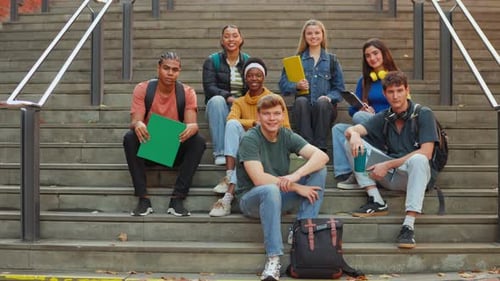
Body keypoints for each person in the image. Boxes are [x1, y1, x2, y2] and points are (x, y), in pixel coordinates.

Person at [235, 94, 329, 281]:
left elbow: (322, 157)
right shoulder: (250, 139)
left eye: (277, 113)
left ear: (283, 115)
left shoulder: (285, 134)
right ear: (259, 116)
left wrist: (296, 175)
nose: (272, 118)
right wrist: (296, 186)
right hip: (251, 199)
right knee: (270, 190)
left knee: (320, 170)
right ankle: (273, 258)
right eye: (267, 114)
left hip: (280, 194)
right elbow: (259, 179)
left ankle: (301, 231)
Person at [342, 71, 438, 249]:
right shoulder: (385, 116)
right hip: (388, 175)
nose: (396, 96)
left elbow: (427, 152)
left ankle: (408, 226)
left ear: (407, 90)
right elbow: (354, 131)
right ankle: (376, 200)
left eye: (399, 90)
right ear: (385, 94)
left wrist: (387, 164)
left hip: (412, 176)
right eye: (391, 92)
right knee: (349, 141)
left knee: (419, 160)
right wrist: (354, 135)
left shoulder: (423, 113)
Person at [123, 51, 206, 217]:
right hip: (149, 147)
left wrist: (193, 127)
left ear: (179, 71)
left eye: (175, 70)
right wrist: (138, 123)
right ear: (158, 68)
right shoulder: (143, 89)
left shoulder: (187, 92)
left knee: (198, 141)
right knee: (130, 137)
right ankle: (143, 199)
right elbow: (135, 120)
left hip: (174, 149)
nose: (170, 73)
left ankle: (177, 199)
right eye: (166, 68)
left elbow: (191, 123)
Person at [209, 58, 291, 217]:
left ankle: (227, 197)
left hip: (269, 142)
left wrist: (263, 127)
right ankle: (228, 175)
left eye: (258, 75)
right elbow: (230, 120)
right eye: (251, 75)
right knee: (233, 126)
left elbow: (285, 127)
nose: (254, 79)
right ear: (245, 78)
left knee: (248, 146)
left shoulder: (275, 99)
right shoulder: (239, 102)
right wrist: (254, 123)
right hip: (246, 144)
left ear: (264, 77)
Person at [332, 38, 399, 189]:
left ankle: (359, 169)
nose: (372, 58)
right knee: (338, 129)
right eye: (368, 56)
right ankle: (348, 171)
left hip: (388, 124)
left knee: (359, 118)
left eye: (375, 53)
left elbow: (402, 107)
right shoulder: (364, 81)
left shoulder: (395, 78)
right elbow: (351, 110)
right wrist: (360, 108)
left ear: (384, 54)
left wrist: (376, 113)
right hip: (367, 122)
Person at [279, 19, 345, 152]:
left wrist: (329, 98)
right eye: (309, 33)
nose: (313, 36)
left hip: (324, 110)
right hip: (303, 110)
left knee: (322, 102)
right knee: (301, 101)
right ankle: (306, 147)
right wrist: (296, 86)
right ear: (304, 36)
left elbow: (339, 90)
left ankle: (320, 147)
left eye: (317, 33)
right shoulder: (296, 60)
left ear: (323, 35)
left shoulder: (332, 60)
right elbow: (283, 85)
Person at [202, 24, 250, 166]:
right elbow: (209, 87)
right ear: (222, 41)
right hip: (219, 107)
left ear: (241, 39)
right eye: (227, 36)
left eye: (235, 35)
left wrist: (241, 102)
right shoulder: (212, 60)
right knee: (216, 100)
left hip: (240, 106)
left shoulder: (248, 60)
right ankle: (220, 152)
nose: (231, 39)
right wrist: (228, 97)